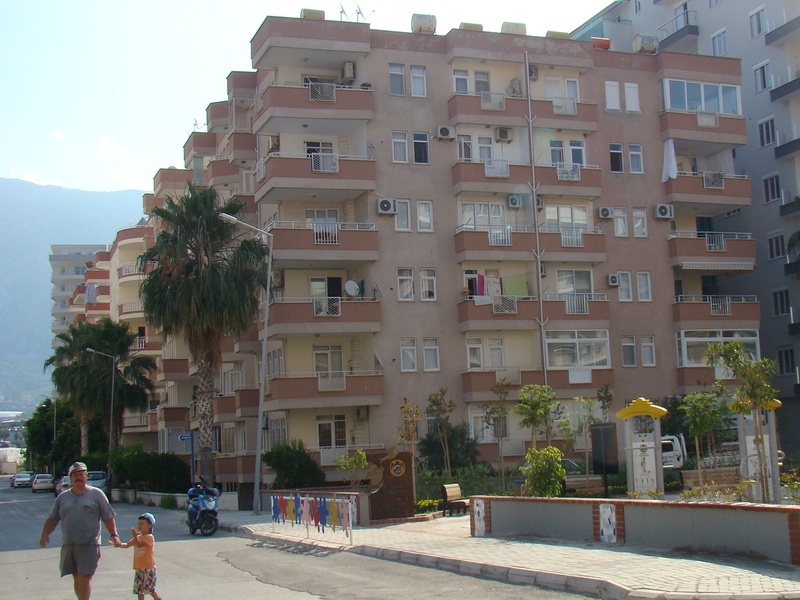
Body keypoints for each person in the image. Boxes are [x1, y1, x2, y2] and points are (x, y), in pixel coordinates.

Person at [39, 461, 121, 600]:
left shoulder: (96, 494)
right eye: (75, 475)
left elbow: (108, 517)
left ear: (86, 476)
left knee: (84, 577)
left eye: (82, 474)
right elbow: (52, 518)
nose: (79, 477)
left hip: (89, 543)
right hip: (69, 544)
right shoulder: (62, 498)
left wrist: (114, 535)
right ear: (70, 478)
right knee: (77, 577)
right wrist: (44, 535)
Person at [120, 512, 162, 600]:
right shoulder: (138, 536)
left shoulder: (149, 537)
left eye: (142, 524)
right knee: (139, 590)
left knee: (150, 589)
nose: (139, 526)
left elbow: (139, 544)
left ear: (149, 525)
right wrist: (118, 544)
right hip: (139, 568)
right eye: (138, 524)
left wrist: (135, 536)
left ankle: (158, 598)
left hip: (148, 568)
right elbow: (127, 545)